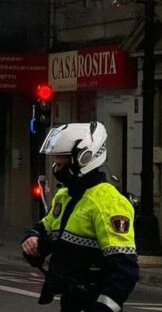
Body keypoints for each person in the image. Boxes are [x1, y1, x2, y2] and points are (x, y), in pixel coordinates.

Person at [21, 122, 138, 312]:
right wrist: (31, 239)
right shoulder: (65, 196)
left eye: (62, 157)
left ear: (84, 157)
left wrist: (103, 308)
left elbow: (125, 270)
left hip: (93, 302)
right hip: (71, 300)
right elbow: (44, 228)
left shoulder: (108, 203)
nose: (56, 164)